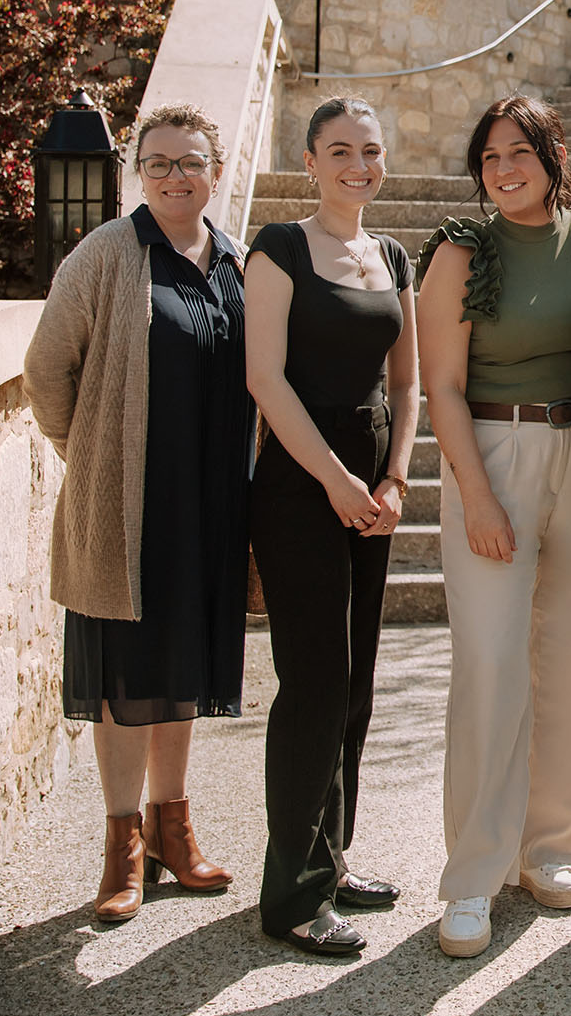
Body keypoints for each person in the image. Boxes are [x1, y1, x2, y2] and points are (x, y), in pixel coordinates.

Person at [25, 102, 252, 924]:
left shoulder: (235, 259)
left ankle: (174, 827)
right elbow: (48, 371)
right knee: (124, 680)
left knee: (183, 672)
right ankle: (122, 845)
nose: (173, 176)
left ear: (215, 172)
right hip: (127, 506)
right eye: (157, 163)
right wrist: (85, 454)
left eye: (189, 162)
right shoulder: (106, 256)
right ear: (137, 173)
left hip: (210, 504)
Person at [415, 98, 571, 959]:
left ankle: (553, 850)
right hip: (492, 455)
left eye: (518, 152)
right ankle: (473, 875)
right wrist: (478, 495)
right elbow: (443, 388)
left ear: (553, 153)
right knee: (494, 664)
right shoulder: (463, 250)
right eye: (489, 156)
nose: (503, 169)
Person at [244, 97, 421, 956]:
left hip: (370, 492)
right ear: (310, 159)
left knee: (355, 684)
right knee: (312, 684)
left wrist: (392, 478)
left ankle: (334, 854)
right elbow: (266, 381)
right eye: (341, 149)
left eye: (371, 149)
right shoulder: (278, 248)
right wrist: (341, 480)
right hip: (301, 484)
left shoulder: (392, 254)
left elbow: (410, 384)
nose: (359, 164)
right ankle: (292, 894)